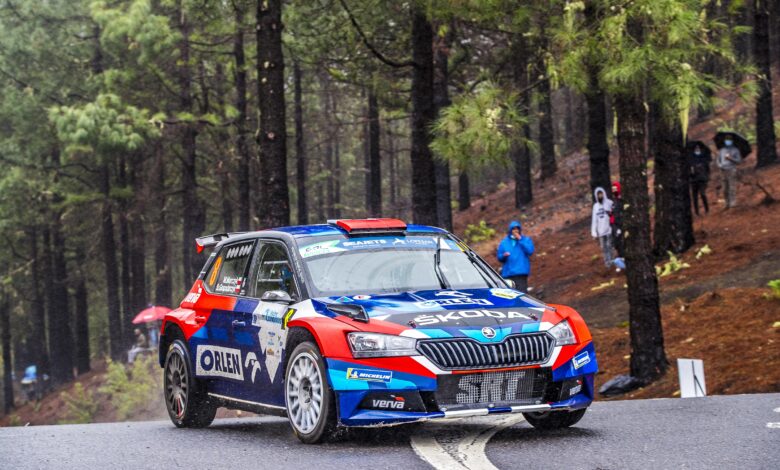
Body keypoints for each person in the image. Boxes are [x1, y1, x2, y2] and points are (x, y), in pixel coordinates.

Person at [496, 221, 535, 292]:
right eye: (513, 229)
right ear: (510, 230)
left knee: (521, 293)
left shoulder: (526, 240)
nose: (515, 231)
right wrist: (503, 255)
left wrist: (520, 239)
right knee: (509, 294)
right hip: (508, 273)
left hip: (520, 273)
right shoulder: (504, 242)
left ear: (520, 230)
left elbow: (530, 250)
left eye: (517, 229)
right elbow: (499, 257)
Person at [716, 135, 742, 208]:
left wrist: (731, 158)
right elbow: (718, 160)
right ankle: (726, 203)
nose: (728, 141)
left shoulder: (735, 150)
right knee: (724, 188)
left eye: (729, 140)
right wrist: (719, 165)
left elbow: (739, 161)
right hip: (723, 170)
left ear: (732, 141)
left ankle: (732, 202)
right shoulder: (722, 150)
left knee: (731, 187)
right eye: (726, 140)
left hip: (731, 169)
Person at [591, 187, 614, 268]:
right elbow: (594, 219)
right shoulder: (595, 206)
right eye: (598, 195)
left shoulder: (609, 203)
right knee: (604, 248)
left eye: (601, 194)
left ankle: (612, 261)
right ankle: (607, 264)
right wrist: (594, 232)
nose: (600, 196)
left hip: (609, 230)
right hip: (601, 232)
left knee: (610, 246)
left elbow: (614, 215)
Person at [689, 143, 711, 215]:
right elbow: (688, 171)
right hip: (694, 180)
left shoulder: (704, 158)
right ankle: (697, 212)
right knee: (694, 197)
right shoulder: (691, 159)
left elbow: (708, 170)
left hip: (702, 179)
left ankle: (707, 210)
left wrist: (707, 178)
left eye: (698, 148)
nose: (697, 149)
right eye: (696, 148)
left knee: (702, 194)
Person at [609, 181, 625, 262]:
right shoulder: (613, 202)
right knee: (616, 242)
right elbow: (611, 213)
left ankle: (623, 257)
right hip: (614, 225)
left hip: (621, 224)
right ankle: (621, 257)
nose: (614, 190)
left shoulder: (622, 201)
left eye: (615, 189)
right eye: (613, 189)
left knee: (622, 241)